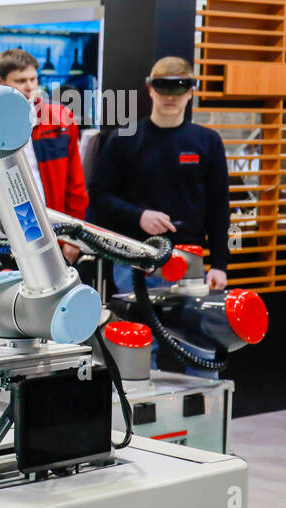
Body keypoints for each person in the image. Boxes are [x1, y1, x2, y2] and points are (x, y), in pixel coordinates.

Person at [88, 56, 230, 373]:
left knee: (201, 349)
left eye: (179, 88)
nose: (170, 96)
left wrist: (219, 263)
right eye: (164, 87)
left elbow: (219, 206)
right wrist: (139, 216)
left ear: (190, 92)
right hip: (134, 258)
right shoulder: (123, 138)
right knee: (138, 348)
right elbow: (99, 195)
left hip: (189, 261)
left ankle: (202, 418)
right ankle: (139, 420)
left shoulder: (207, 142)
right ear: (150, 89)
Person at [0, 48, 88, 263]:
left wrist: (74, 236)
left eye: (33, 79)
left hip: (53, 231)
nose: (29, 87)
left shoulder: (61, 119)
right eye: (20, 80)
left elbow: (76, 184)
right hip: (3, 235)